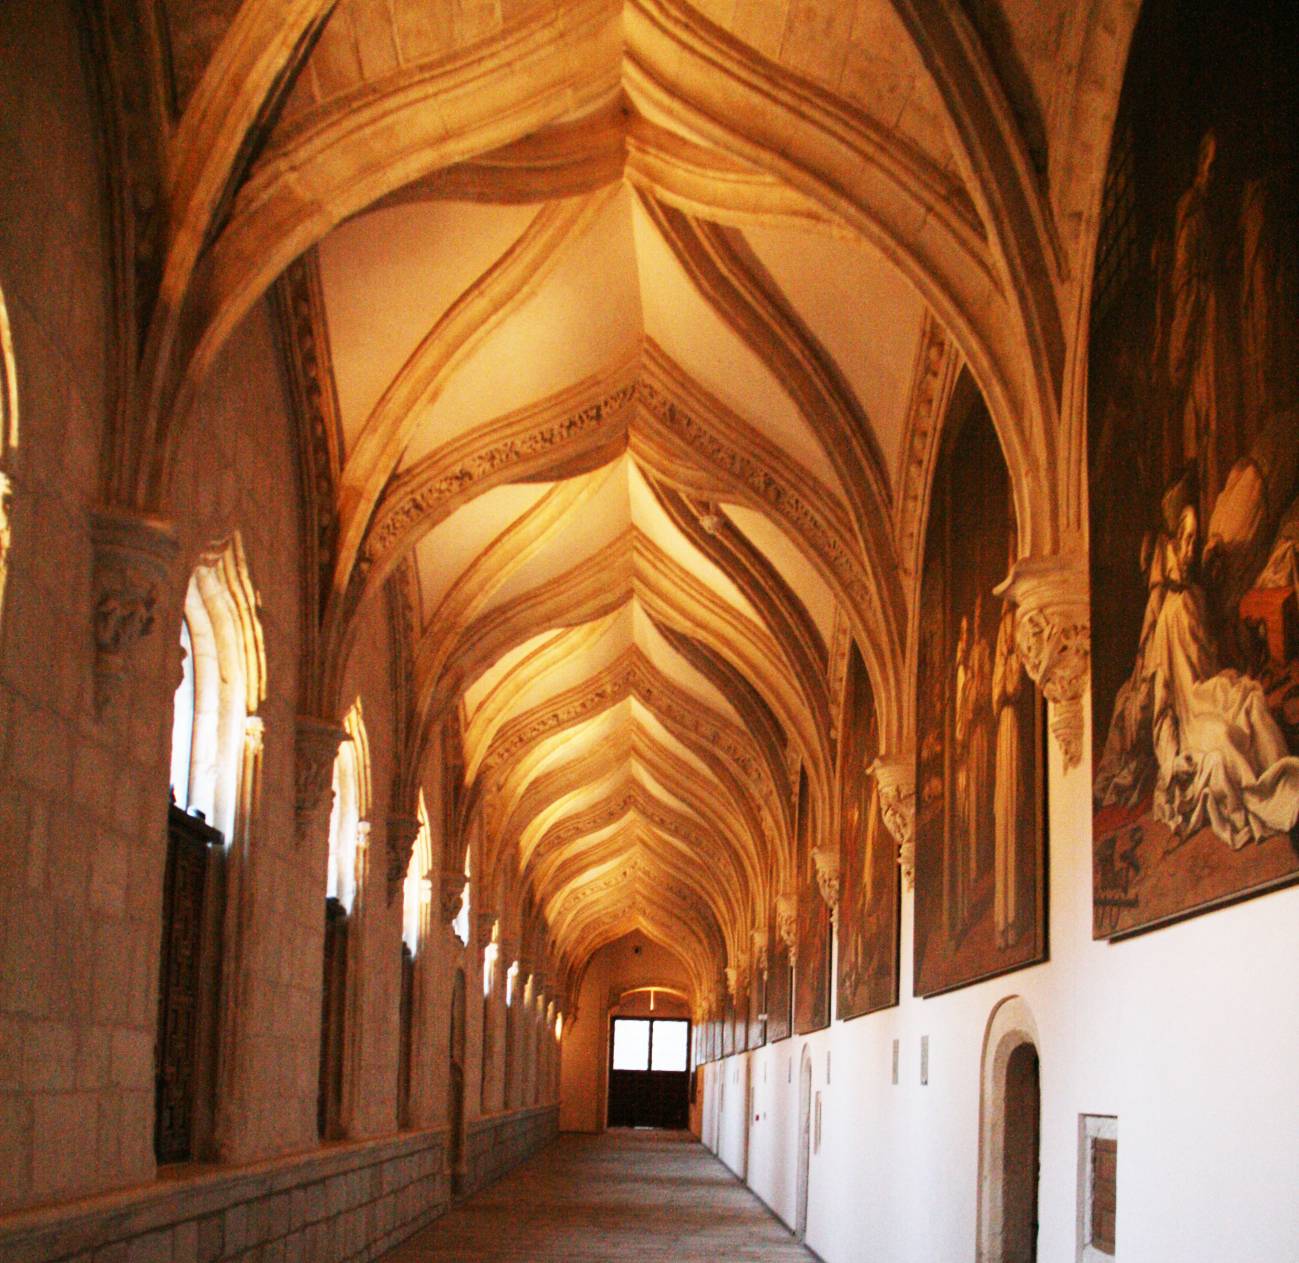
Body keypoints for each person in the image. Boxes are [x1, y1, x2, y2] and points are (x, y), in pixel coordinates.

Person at [1146, 504, 1299, 848]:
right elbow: (1162, 710)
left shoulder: (1197, 597)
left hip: (1211, 694)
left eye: (1193, 541)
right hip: (1191, 719)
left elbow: (1211, 662)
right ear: (1169, 545)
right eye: (1183, 540)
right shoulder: (1167, 616)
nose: (1188, 550)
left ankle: (1286, 787)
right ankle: (1270, 799)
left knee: (1251, 702)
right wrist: (1172, 760)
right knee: (1224, 739)